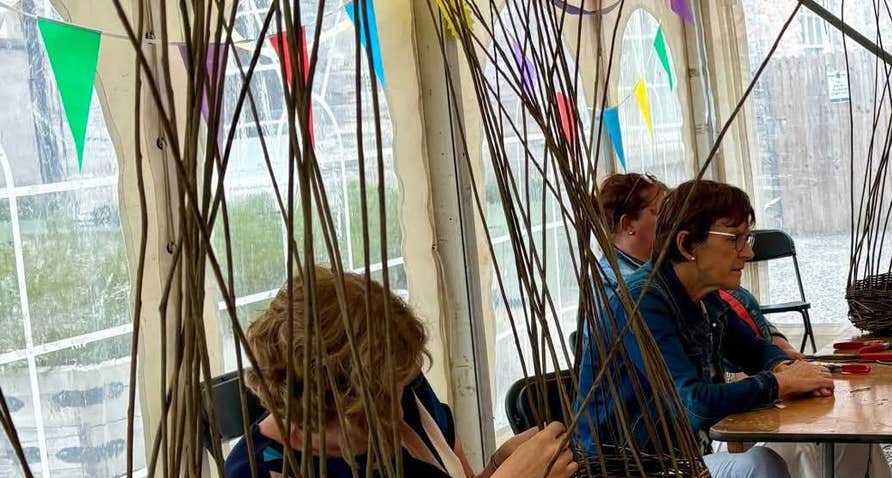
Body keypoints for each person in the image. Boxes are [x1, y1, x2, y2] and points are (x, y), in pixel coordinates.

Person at [577, 179, 834, 478]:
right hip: (630, 469)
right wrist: (781, 384)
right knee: (761, 465)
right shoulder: (642, 303)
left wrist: (784, 366)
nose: (748, 253)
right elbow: (694, 405)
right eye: (733, 238)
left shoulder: (704, 295)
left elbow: (751, 348)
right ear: (686, 245)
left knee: (834, 442)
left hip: (680, 459)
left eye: (747, 239)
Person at [226, 266, 578, 478]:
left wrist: (501, 463)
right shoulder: (263, 470)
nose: (396, 412)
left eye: (399, 388)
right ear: (319, 409)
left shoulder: (408, 394)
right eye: (376, 405)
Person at [595, 173, 803, 360]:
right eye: (734, 239)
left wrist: (781, 361)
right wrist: (774, 382)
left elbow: (745, 341)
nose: (674, 221)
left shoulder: (697, 284)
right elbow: (689, 395)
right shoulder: (632, 294)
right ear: (685, 244)